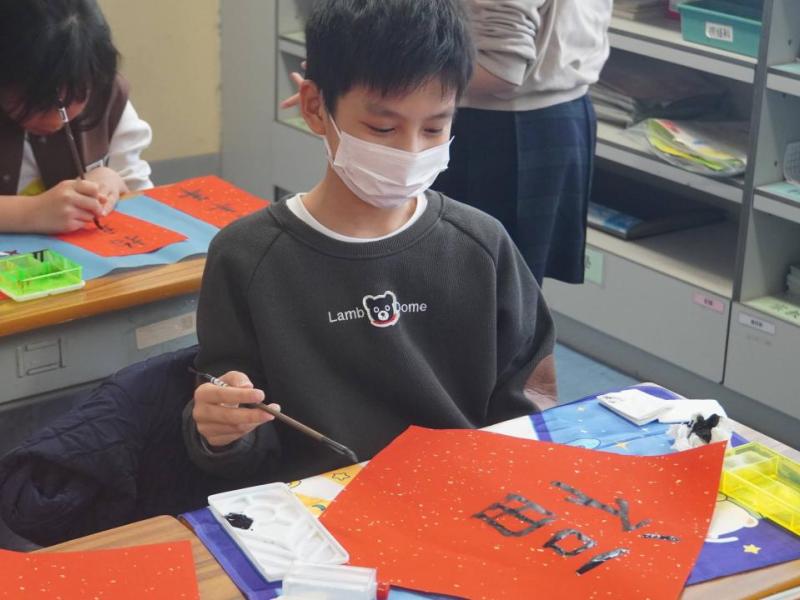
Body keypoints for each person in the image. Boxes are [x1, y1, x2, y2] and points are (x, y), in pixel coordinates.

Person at [184, 0, 558, 485]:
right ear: (316, 108)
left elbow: (529, 404)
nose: (411, 151)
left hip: (463, 490)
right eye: (383, 128)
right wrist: (221, 430)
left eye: (435, 127)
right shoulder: (248, 256)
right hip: (316, 504)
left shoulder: (482, 246)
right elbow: (232, 418)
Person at [433, 0, 612, 284]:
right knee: (504, 287)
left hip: (498, 124)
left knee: (480, 285)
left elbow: (500, 68)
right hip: (548, 109)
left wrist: (381, 69)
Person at [0, 0, 152, 234]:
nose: (55, 119)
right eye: (37, 102)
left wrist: (112, 181)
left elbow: (142, 193)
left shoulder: (107, 94)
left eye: (78, 95)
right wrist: (29, 213)